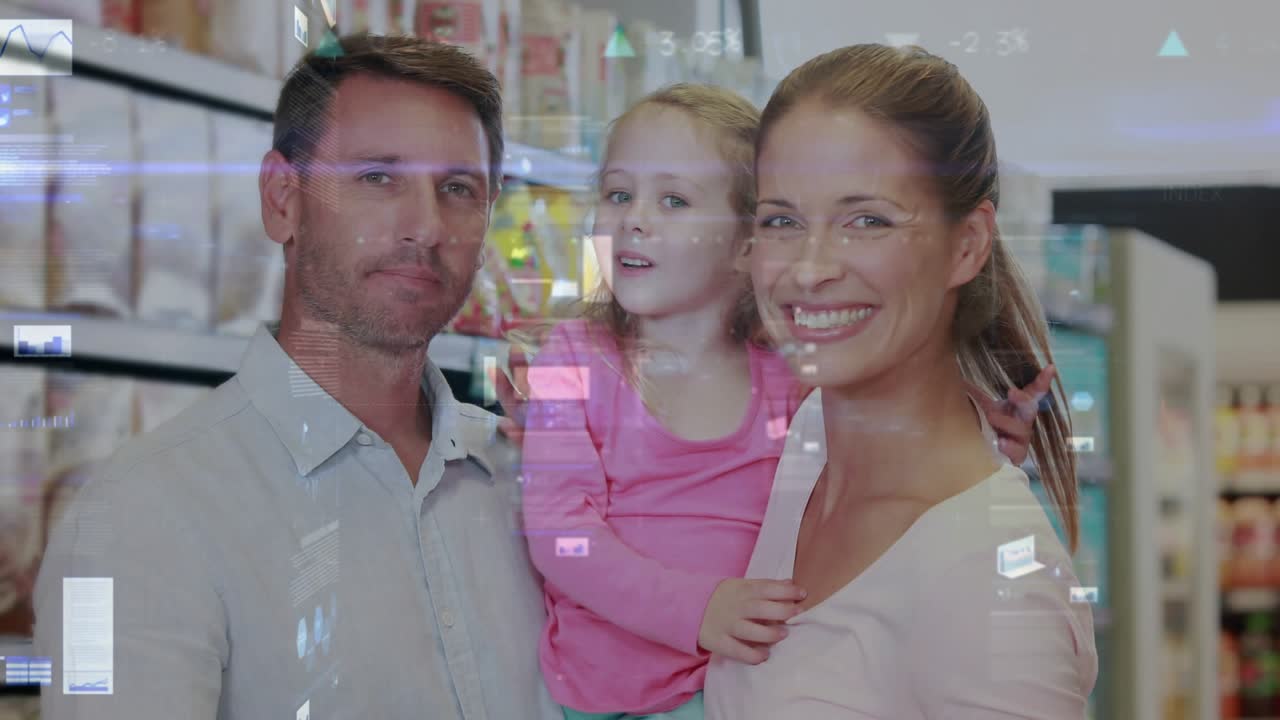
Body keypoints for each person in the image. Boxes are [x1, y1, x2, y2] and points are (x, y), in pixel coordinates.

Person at [34, 34, 560, 719]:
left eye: (458, 189)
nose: (426, 226)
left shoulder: (534, 483)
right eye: (378, 177)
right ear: (283, 199)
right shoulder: (138, 519)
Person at [513, 84, 1051, 720]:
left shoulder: (795, 376)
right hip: (593, 695)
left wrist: (983, 441)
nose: (634, 218)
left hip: (736, 688)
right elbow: (560, 535)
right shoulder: (573, 360)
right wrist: (696, 609)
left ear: (748, 246)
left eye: (674, 200)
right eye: (618, 193)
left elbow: (879, 481)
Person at [702, 44, 1098, 719]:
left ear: (966, 245)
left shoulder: (993, 581)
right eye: (782, 221)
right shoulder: (807, 441)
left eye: (867, 221)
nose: (809, 269)